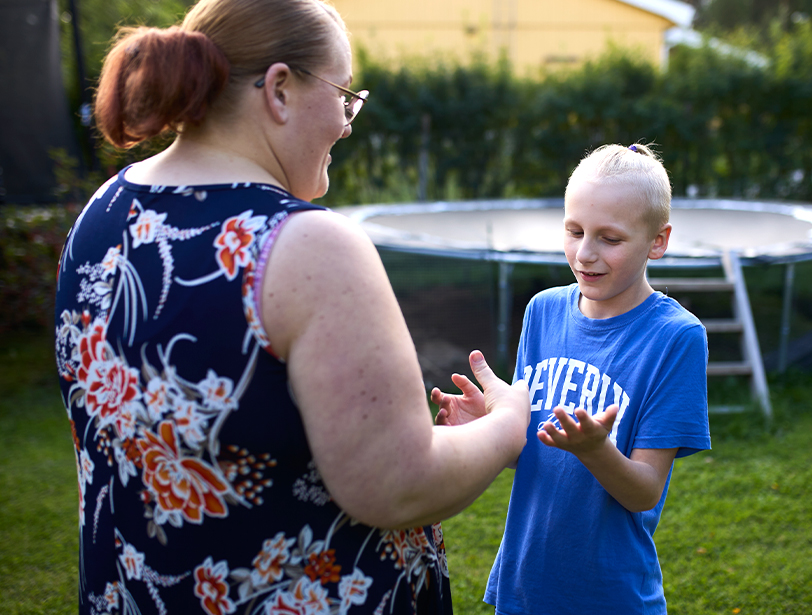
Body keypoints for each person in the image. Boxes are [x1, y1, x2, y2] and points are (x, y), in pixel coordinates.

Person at [53, 1, 529, 614]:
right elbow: (397, 484)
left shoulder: (102, 214)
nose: (348, 121)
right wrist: (508, 422)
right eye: (342, 94)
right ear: (279, 89)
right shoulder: (307, 245)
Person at [433, 143, 711, 614]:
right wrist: (492, 425)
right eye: (575, 230)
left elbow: (644, 492)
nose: (585, 253)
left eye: (610, 238)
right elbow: (533, 454)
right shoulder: (542, 311)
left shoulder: (676, 338)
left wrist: (595, 451)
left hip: (609, 597)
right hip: (523, 589)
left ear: (658, 241)